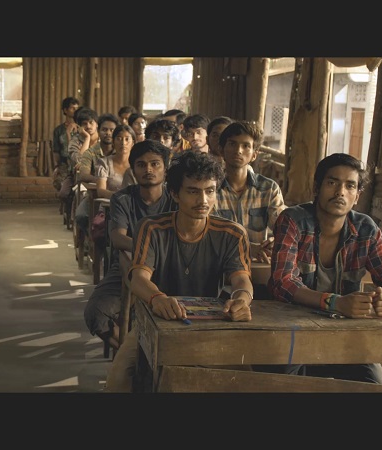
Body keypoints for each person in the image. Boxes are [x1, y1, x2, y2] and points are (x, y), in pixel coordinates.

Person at [106, 150, 253, 392]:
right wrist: (157, 298)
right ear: (174, 193)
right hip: (155, 319)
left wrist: (242, 300)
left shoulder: (232, 233)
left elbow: (242, 280)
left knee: (244, 379)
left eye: (210, 191)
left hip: (211, 324)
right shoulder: (151, 228)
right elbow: (138, 278)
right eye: (193, 191)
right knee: (120, 376)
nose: (203, 200)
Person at [264, 153, 382, 385]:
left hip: (346, 334)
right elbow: (282, 283)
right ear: (316, 188)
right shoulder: (293, 220)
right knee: (285, 388)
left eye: (350, 186)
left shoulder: (366, 229)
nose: (340, 192)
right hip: (292, 331)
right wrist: (336, 303)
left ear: (357, 195)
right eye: (332, 182)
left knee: (379, 388)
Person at [84, 140, 176, 351]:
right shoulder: (123, 198)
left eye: (155, 164)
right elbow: (118, 238)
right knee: (95, 313)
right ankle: (134, 354)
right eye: (141, 165)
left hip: (170, 267)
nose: (148, 170)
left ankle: (152, 354)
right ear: (133, 170)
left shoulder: (175, 198)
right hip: (129, 265)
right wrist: (150, 250)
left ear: (165, 169)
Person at [213, 121, 285, 266]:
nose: (238, 151)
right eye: (232, 144)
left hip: (258, 264)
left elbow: (282, 228)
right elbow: (209, 236)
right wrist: (248, 249)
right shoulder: (211, 189)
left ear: (254, 155)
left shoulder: (268, 189)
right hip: (220, 265)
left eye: (246, 146)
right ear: (221, 150)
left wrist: (275, 241)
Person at [52, 96, 81, 192]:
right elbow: (56, 150)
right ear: (65, 110)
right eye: (72, 108)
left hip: (78, 163)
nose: (75, 111)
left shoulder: (81, 128)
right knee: (60, 186)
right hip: (64, 164)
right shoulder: (59, 130)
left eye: (77, 108)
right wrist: (57, 166)